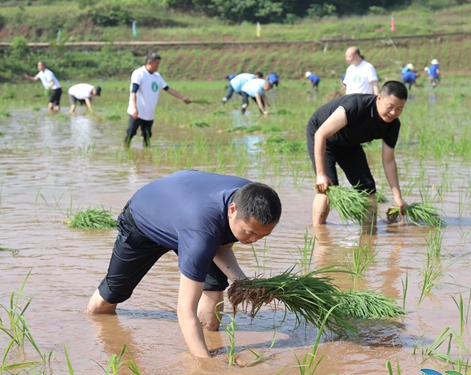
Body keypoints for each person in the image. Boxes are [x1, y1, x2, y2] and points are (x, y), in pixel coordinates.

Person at [86, 170, 282, 358]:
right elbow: (185, 309)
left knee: (213, 289)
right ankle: (92, 323)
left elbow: (221, 246)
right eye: (250, 232)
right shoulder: (201, 234)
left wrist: (244, 283)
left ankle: (210, 342)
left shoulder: (250, 197)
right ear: (232, 210)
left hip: (188, 214)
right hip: (143, 221)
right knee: (112, 294)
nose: (254, 240)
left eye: (263, 235)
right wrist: (205, 367)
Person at [307, 81, 409, 227]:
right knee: (328, 187)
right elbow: (320, 134)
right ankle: (319, 232)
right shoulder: (356, 105)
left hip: (350, 144)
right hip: (324, 137)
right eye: (390, 107)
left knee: (367, 188)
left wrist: (397, 197)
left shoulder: (393, 125)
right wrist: (321, 174)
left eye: (399, 109)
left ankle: (369, 234)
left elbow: (388, 161)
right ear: (379, 98)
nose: (394, 113)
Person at [125, 52, 191, 148]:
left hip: (149, 113)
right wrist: (134, 108)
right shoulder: (138, 73)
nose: (158, 66)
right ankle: (126, 149)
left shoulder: (157, 76)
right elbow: (133, 92)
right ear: (150, 62)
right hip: (137, 111)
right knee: (131, 132)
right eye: (157, 64)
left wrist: (182, 98)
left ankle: (146, 156)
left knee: (147, 136)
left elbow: (168, 89)